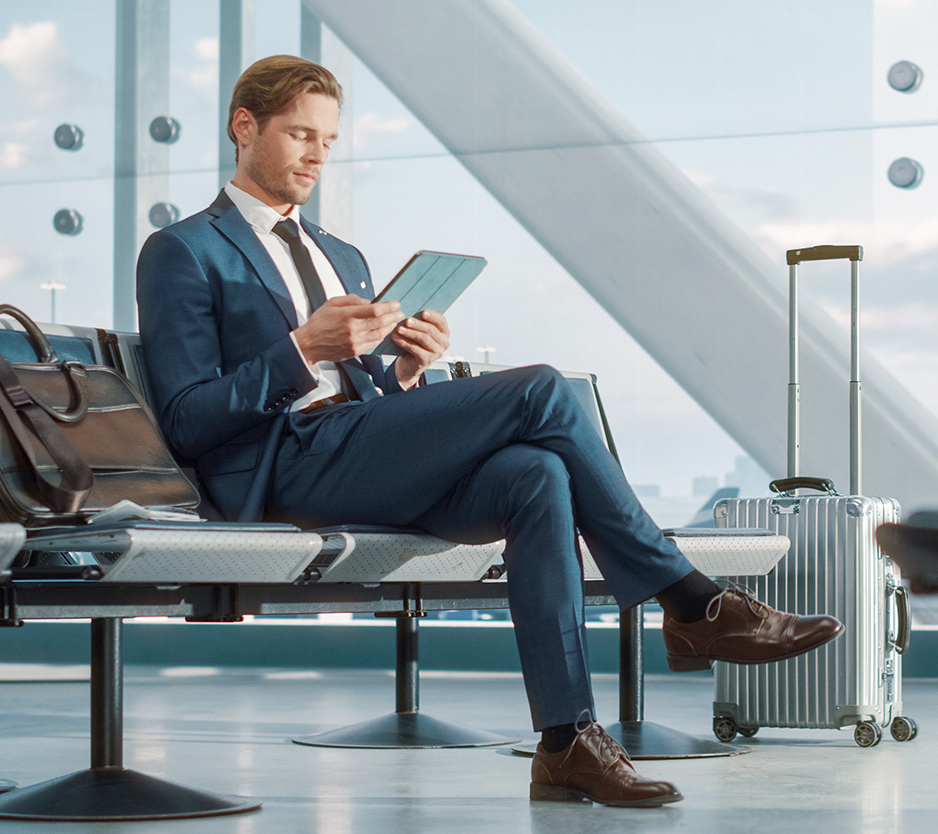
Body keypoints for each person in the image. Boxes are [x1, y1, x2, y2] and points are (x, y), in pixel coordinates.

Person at [136, 55, 841, 807]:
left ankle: (567, 739)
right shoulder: (184, 250)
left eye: (329, 142)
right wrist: (304, 348)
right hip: (285, 468)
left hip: (360, 446)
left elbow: (365, 389)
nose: (316, 155)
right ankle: (692, 603)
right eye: (299, 135)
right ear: (244, 128)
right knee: (538, 388)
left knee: (537, 476)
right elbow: (187, 420)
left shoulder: (340, 255)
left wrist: (405, 374)